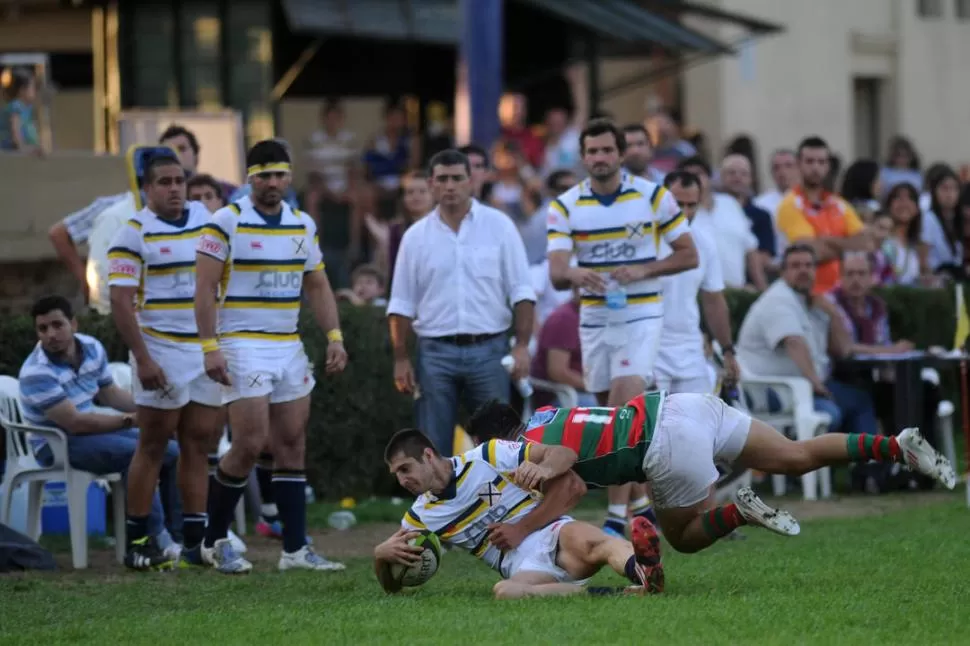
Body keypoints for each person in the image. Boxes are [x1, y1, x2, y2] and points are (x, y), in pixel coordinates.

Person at [466, 392, 956, 555]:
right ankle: (893, 446)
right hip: (683, 404)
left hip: (663, 443)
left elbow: (566, 472)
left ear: (499, 438)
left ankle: (741, 512)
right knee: (796, 453)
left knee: (681, 537)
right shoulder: (546, 413)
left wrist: (522, 521)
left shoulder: (525, 446)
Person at [194, 139, 348, 573]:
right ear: (250, 177)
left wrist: (334, 336)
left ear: (289, 176)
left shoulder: (302, 224)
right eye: (264, 174)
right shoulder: (225, 222)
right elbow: (204, 289)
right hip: (241, 342)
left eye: (280, 174)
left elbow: (317, 285)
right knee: (248, 443)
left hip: (288, 344)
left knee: (292, 444)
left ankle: (295, 550)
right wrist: (210, 346)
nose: (273, 182)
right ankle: (215, 539)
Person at [546, 118, 698, 539]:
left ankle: (616, 520)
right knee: (611, 419)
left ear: (620, 154)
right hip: (594, 319)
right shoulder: (565, 205)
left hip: (642, 316)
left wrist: (644, 269)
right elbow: (558, 273)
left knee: (617, 409)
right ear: (583, 157)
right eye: (591, 152)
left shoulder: (653, 197)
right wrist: (579, 275)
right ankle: (644, 502)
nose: (599, 158)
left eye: (606, 151)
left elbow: (689, 255)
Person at [106, 155, 225, 571]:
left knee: (199, 443)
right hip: (161, 351)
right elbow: (119, 302)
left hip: (204, 349)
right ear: (147, 187)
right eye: (164, 182)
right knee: (153, 445)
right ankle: (139, 542)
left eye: (180, 180)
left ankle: (194, 543)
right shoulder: (132, 233)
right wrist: (142, 358)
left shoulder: (205, 218)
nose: (174, 188)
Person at [373, 429, 663, 598]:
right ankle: (622, 594)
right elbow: (392, 585)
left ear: (427, 455)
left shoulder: (488, 455)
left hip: (551, 531)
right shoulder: (420, 517)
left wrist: (545, 468)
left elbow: (564, 453)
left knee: (596, 541)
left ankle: (644, 569)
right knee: (505, 592)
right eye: (396, 474)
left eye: (405, 469)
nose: (402, 480)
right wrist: (380, 555)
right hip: (521, 566)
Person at [386, 149, 536, 455]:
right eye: (443, 179)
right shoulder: (415, 237)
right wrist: (401, 358)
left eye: (457, 178)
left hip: (490, 349)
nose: (450, 186)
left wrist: (521, 345)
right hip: (434, 353)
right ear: (431, 183)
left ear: (472, 180)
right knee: (432, 446)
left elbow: (522, 291)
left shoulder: (500, 226)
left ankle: (503, 504)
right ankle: (439, 504)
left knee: (500, 445)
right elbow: (400, 304)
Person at [18, 296, 180, 557]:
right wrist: (133, 420)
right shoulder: (36, 372)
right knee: (137, 453)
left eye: (57, 325)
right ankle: (155, 537)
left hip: (91, 433)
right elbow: (76, 423)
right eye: (43, 328)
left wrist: (152, 411)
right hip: (57, 443)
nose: (51, 334)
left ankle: (180, 535)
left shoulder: (92, 347)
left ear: (74, 324)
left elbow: (110, 395)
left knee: (170, 448)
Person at [654, 170, 740, 394]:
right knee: (650, 425)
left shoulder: (704, 243)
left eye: (691, 205)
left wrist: (728, 350)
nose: (684, 212)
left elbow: (714, 301)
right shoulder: (644, 241)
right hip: (649, 350)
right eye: (677, 204)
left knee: (697, 425)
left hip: (690, 349)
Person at [776, 136, 868, 294]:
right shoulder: (790, 204)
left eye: (821, 162)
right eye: (810, 161)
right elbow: (811, 253)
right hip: (807, 295)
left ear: (828, 166)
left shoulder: (838, 204)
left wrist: (826, 240)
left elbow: (866, 244)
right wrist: (848, 246)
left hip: (842, 295)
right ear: (798, 165)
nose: (816, 167)